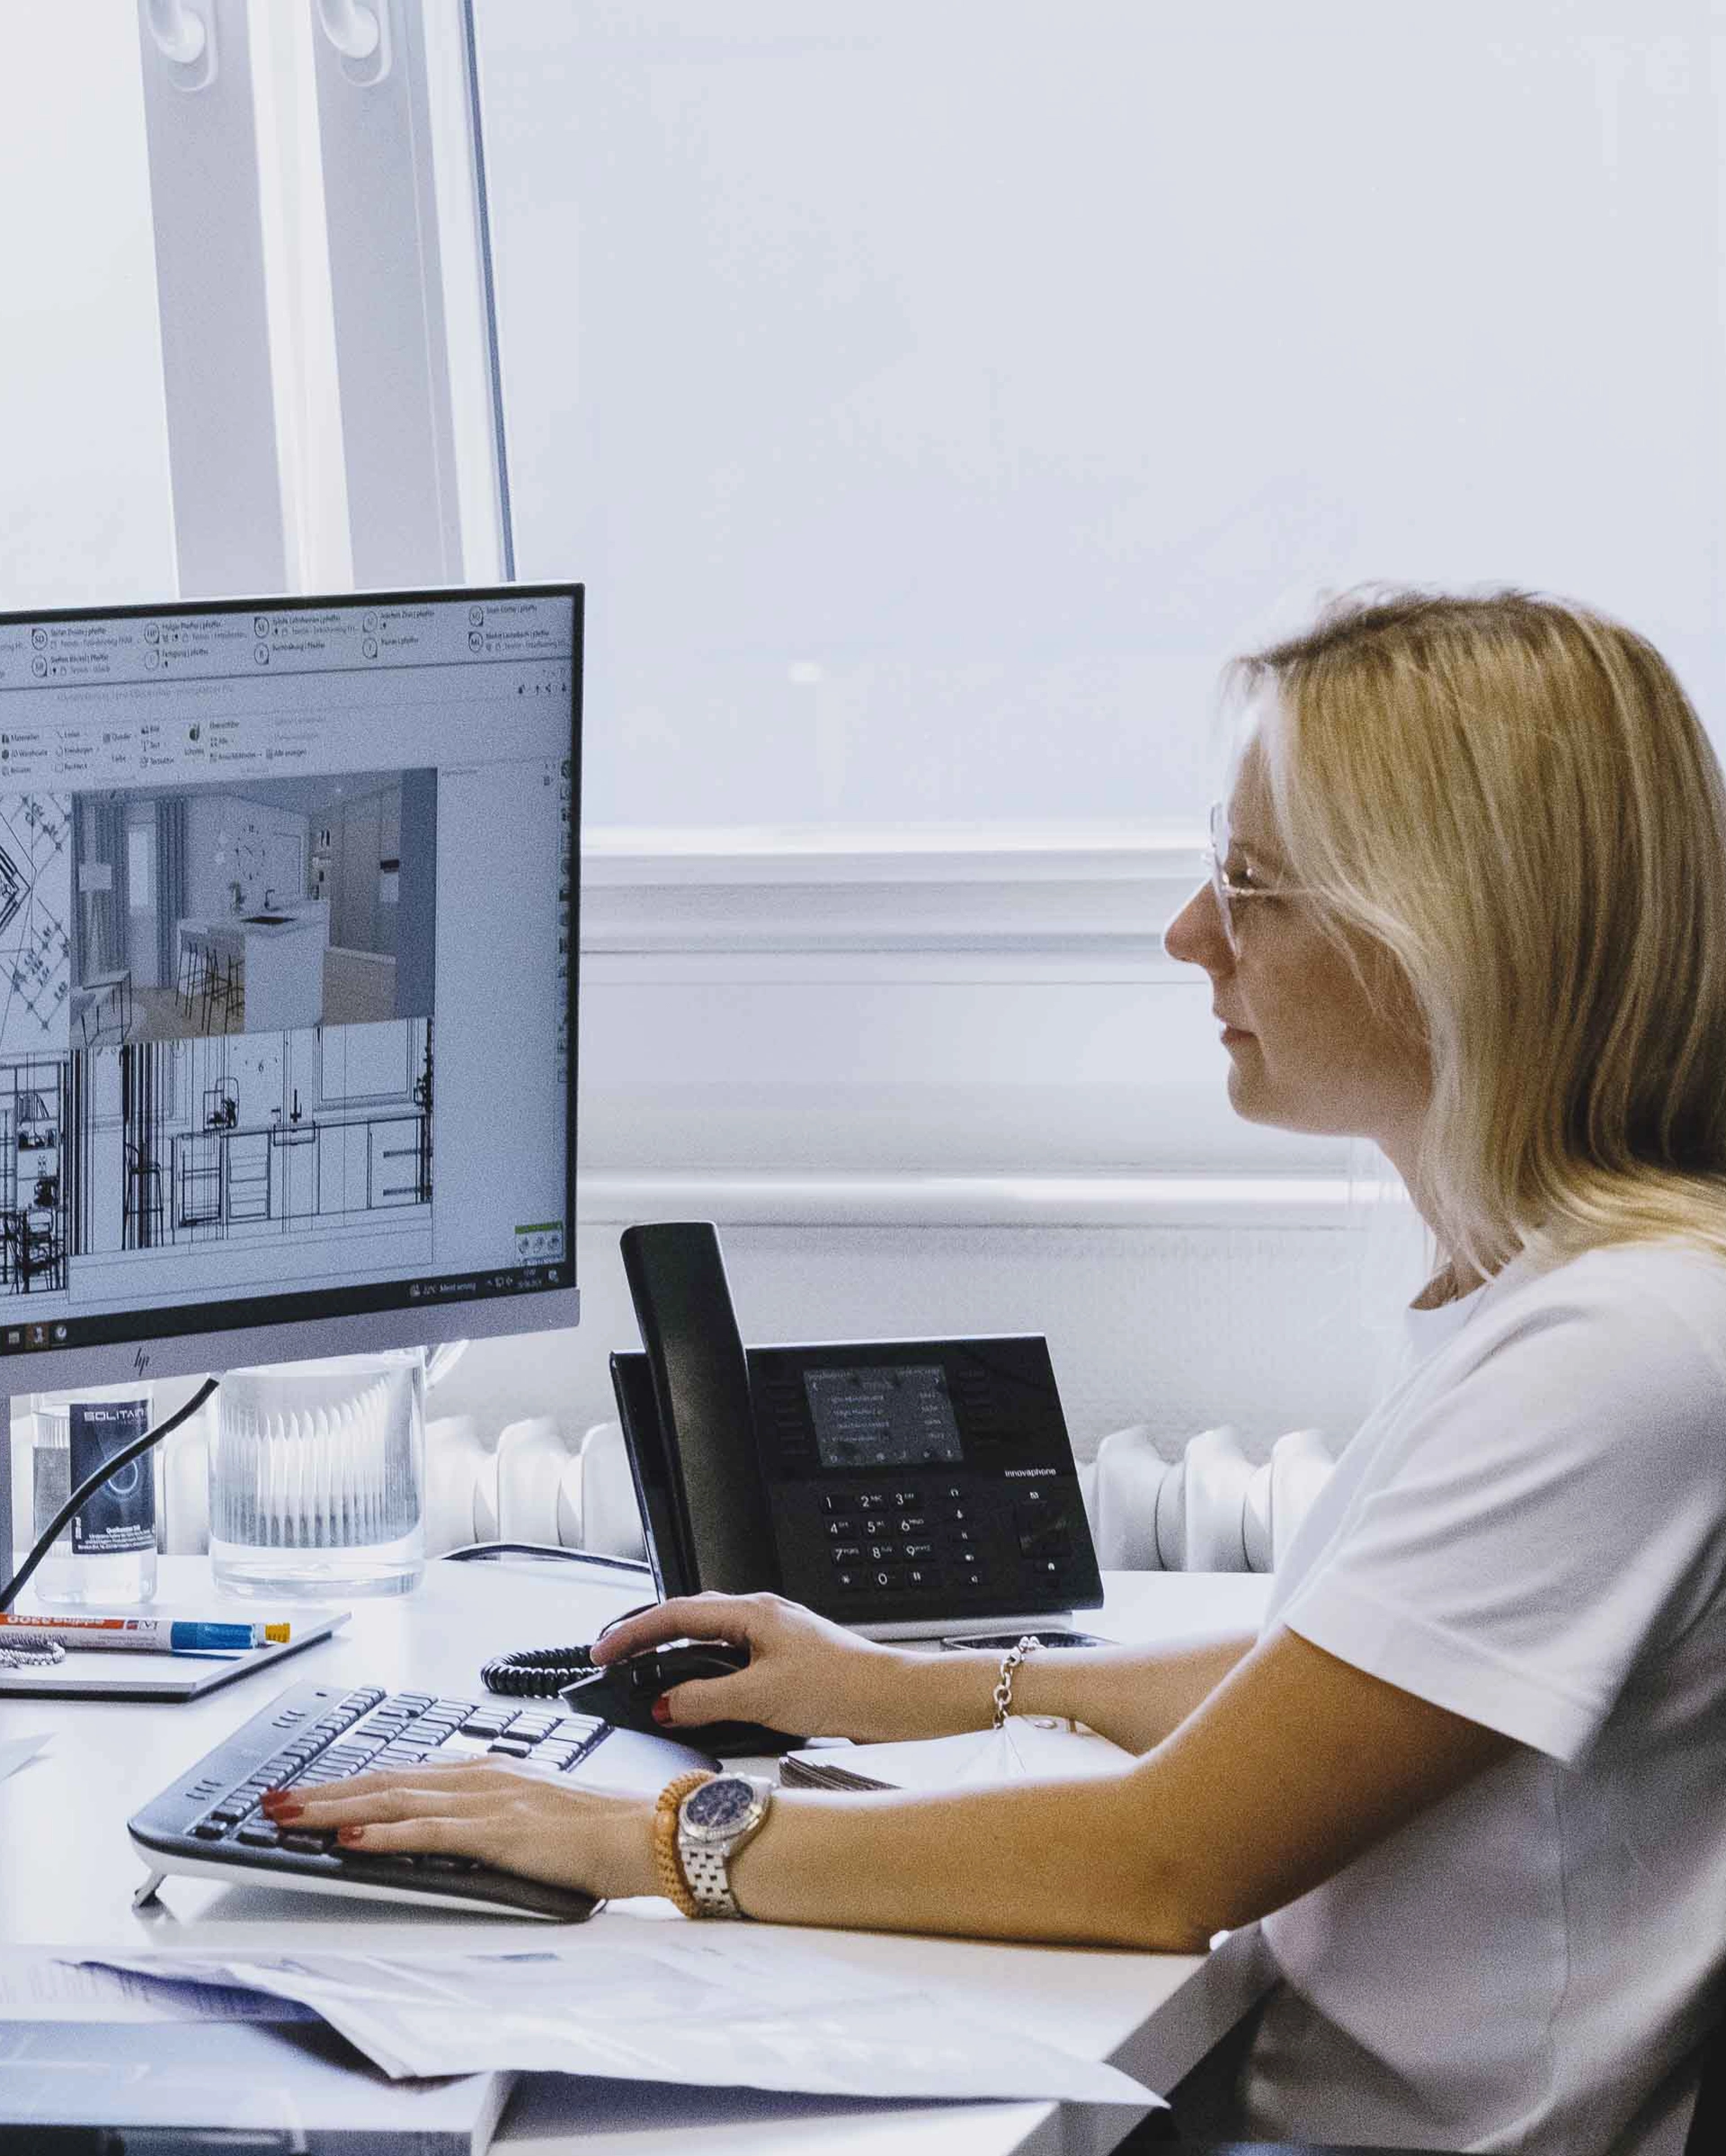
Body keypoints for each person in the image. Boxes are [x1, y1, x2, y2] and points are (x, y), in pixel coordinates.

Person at [274, 590, 1726, 2155]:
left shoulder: (1623, 1346)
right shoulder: (1562, 1296)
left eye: (1249, 883)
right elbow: (1326, 1680)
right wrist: (903, 1687)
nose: (1192, 935)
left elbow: (1162, 1863)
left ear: (1447, 930)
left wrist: (650, 1836)